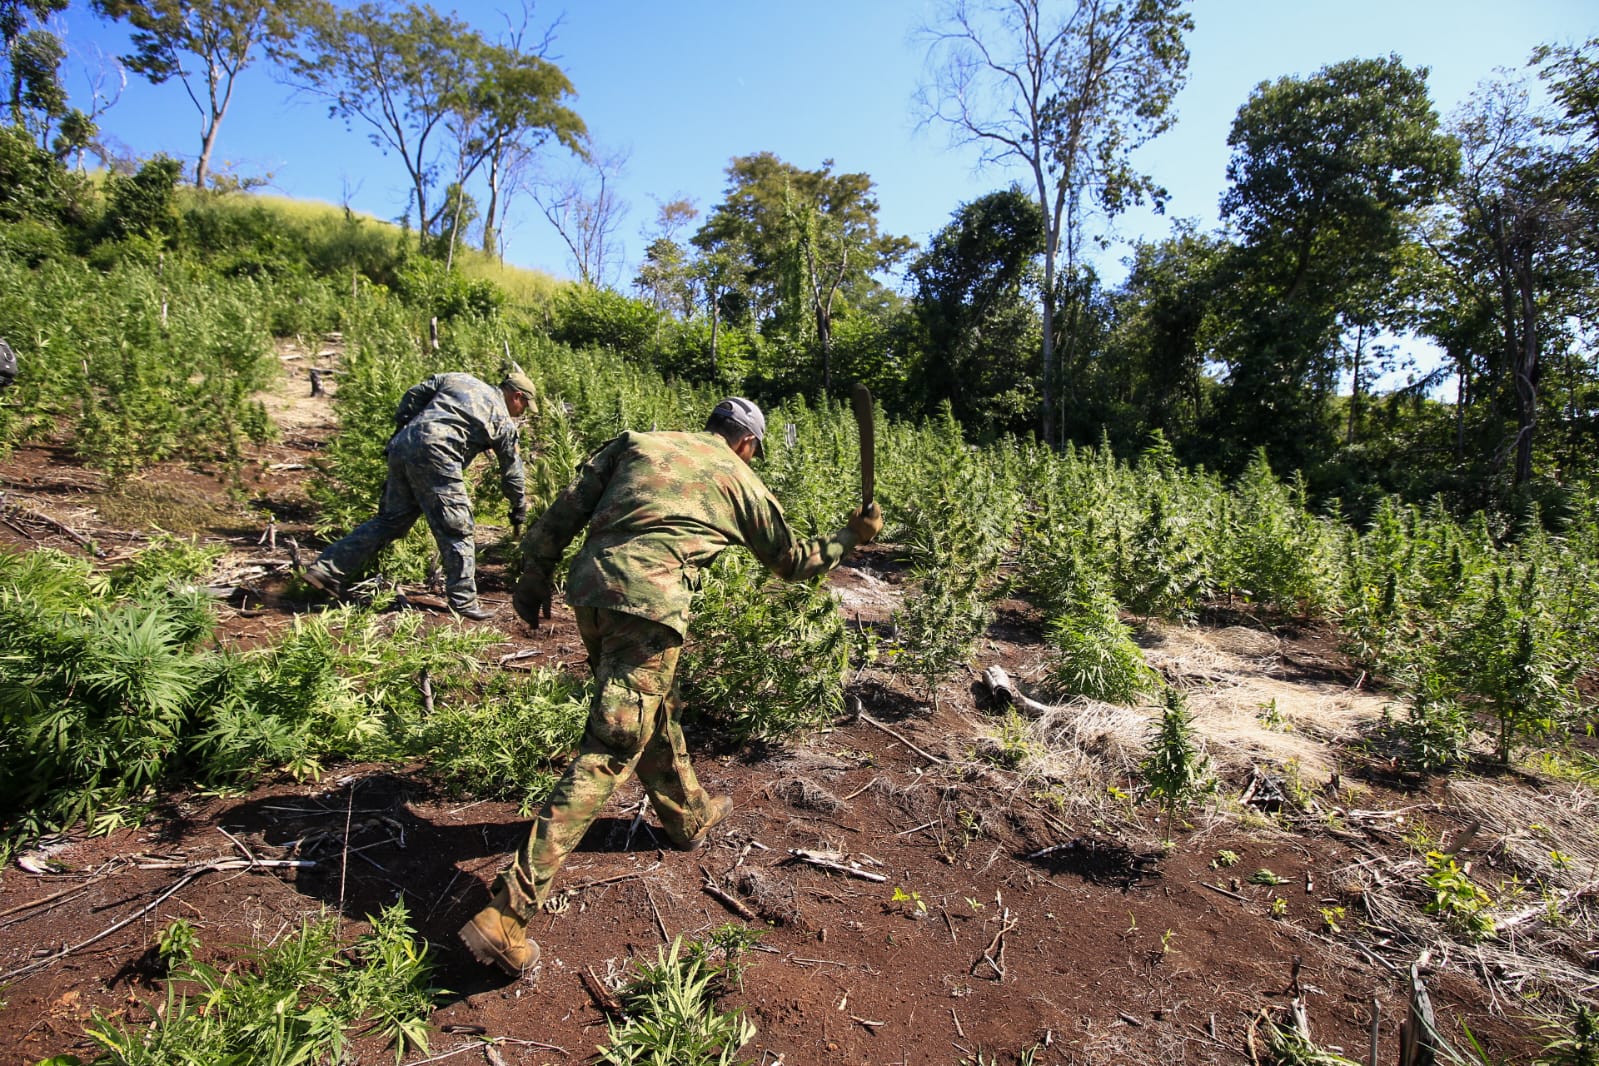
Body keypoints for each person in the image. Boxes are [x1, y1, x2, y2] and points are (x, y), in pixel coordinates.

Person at [458, 397, 883, 976]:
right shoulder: (739, 477)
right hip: (650, 604)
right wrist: (850, 537)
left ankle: (688, 815)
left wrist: (533, 578)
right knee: (611, 748)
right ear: (747, 444)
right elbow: (791, 562)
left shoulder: (639, 441)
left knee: (648, 709)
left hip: (592, 591)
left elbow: (565, 509)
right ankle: (509, 912)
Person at [302, 367, 535, 621]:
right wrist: (519, 505)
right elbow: (512, 472)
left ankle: (326, 570)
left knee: (391, 521)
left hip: (402, 447)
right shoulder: (501, 419)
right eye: (524, 406)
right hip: (438, 454)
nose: (521, 412)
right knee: (457, 528)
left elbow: (413, 395)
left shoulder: (459, 379)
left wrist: (407, 428)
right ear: (517, 396)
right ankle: (463, 602)